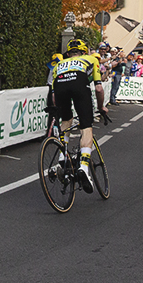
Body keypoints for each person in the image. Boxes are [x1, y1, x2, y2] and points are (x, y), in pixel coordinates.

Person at [50, 38, 107, 192]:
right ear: (83, 52)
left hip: (60, 86)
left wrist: (60, 110)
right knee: (86, 126)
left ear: (68, 53)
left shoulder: (59, 64)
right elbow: (99, 89)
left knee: (66, 120)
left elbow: (54, 97)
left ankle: (62, 157)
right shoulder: (91, 59)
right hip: (79, 84)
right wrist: (101, 107)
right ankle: (83, 167)